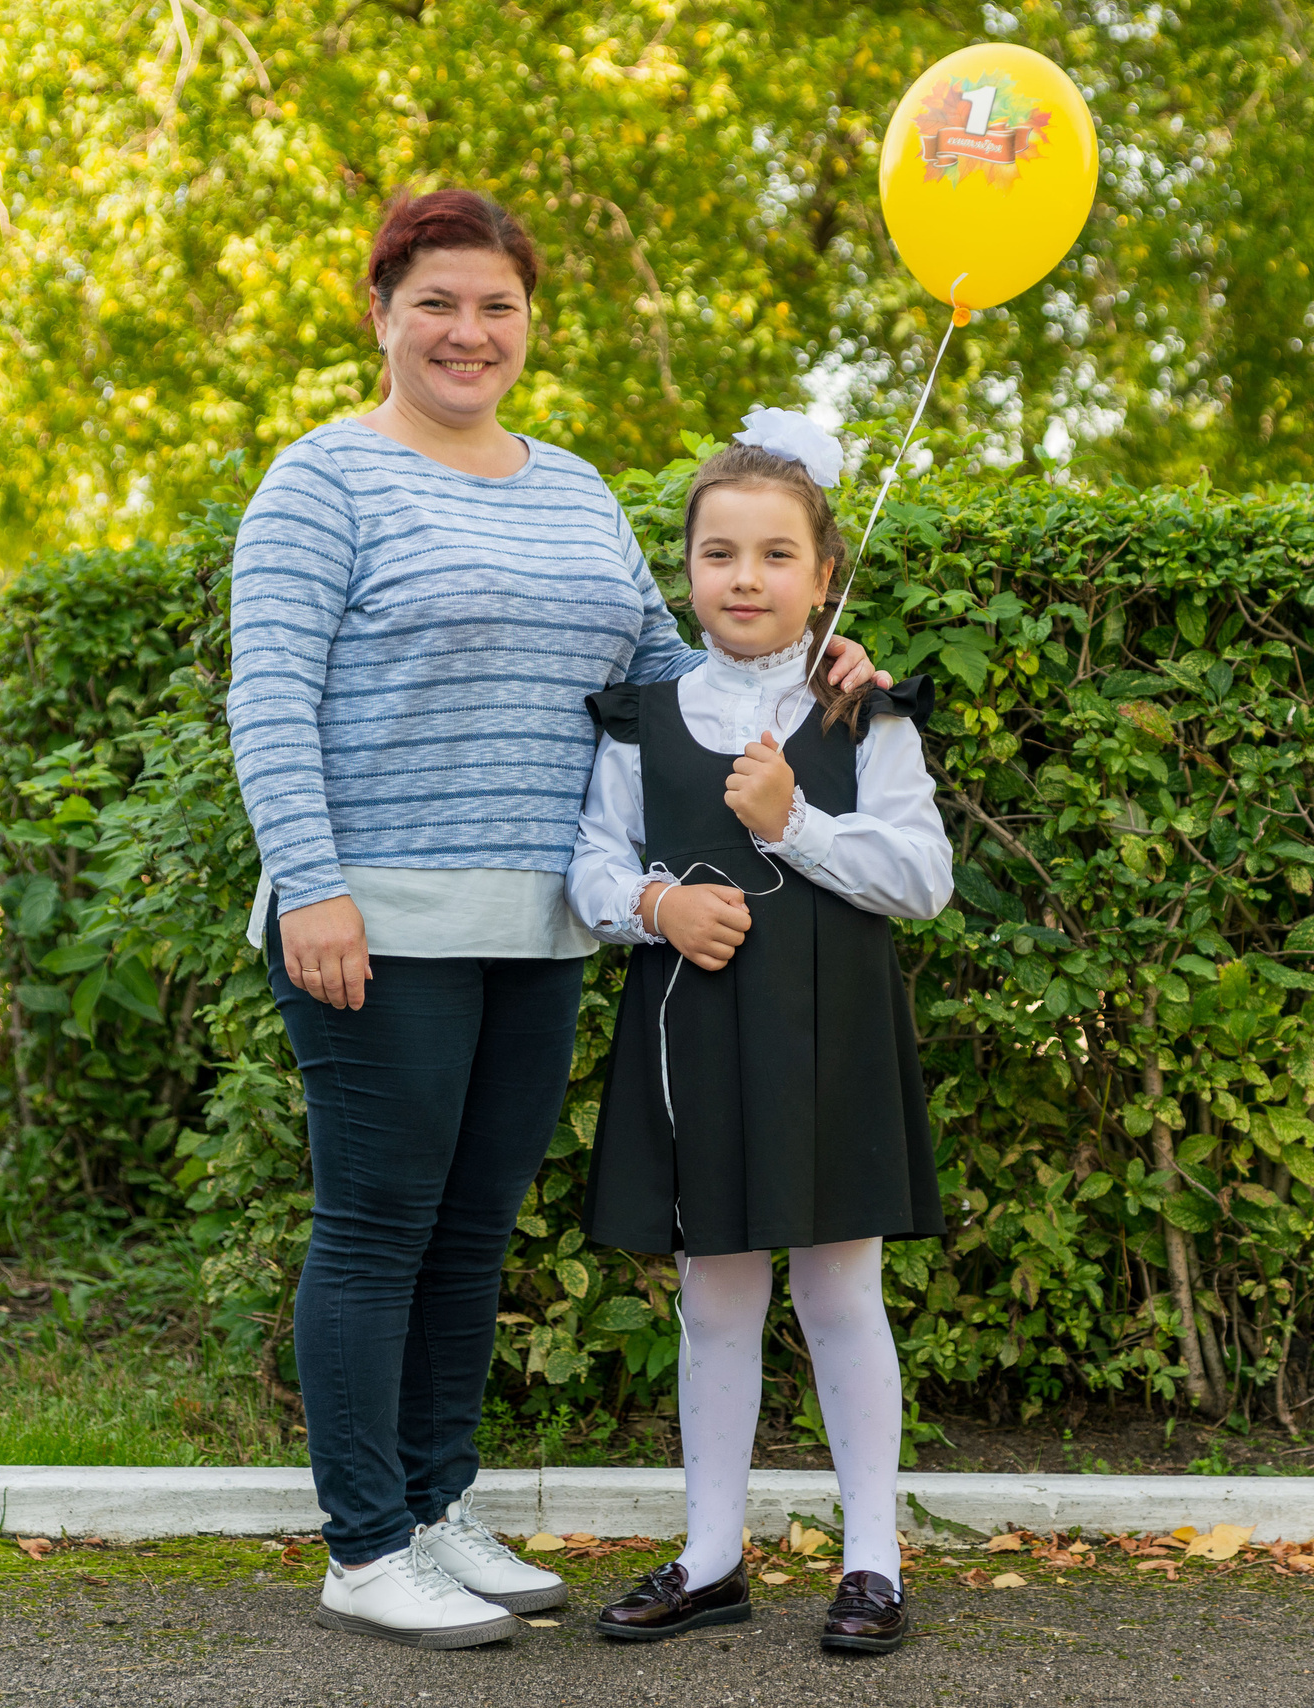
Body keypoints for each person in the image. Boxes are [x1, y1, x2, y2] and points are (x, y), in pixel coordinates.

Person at [225, 190, 887, 1651]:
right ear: (382, 314)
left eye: (498, 306)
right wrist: (311, 884)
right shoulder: (319, 482)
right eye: (438, 303)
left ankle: (435, 1502)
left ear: (530, 322)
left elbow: (665, 674)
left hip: (540, 925)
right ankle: (362, 1540)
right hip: (377, 917)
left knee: (470, 1235)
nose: (470, 332)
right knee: (378, 1225)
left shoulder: (576, 487)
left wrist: (810, 667)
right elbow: (266, 699)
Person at [564, 412, 953, 1656]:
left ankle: (874, 1562)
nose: (745, 577)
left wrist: (795, 828)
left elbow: (923, 879)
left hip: (829, 1040)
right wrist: (656, 905)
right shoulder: (644, 714)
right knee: (714, 1297)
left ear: (824, 575)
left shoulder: (862, 712)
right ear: (685, 568)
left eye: (776, 555)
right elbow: (587, 867)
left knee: (842, 1291)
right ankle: (712, 1554)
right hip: (698, 1042)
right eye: (719, 552)